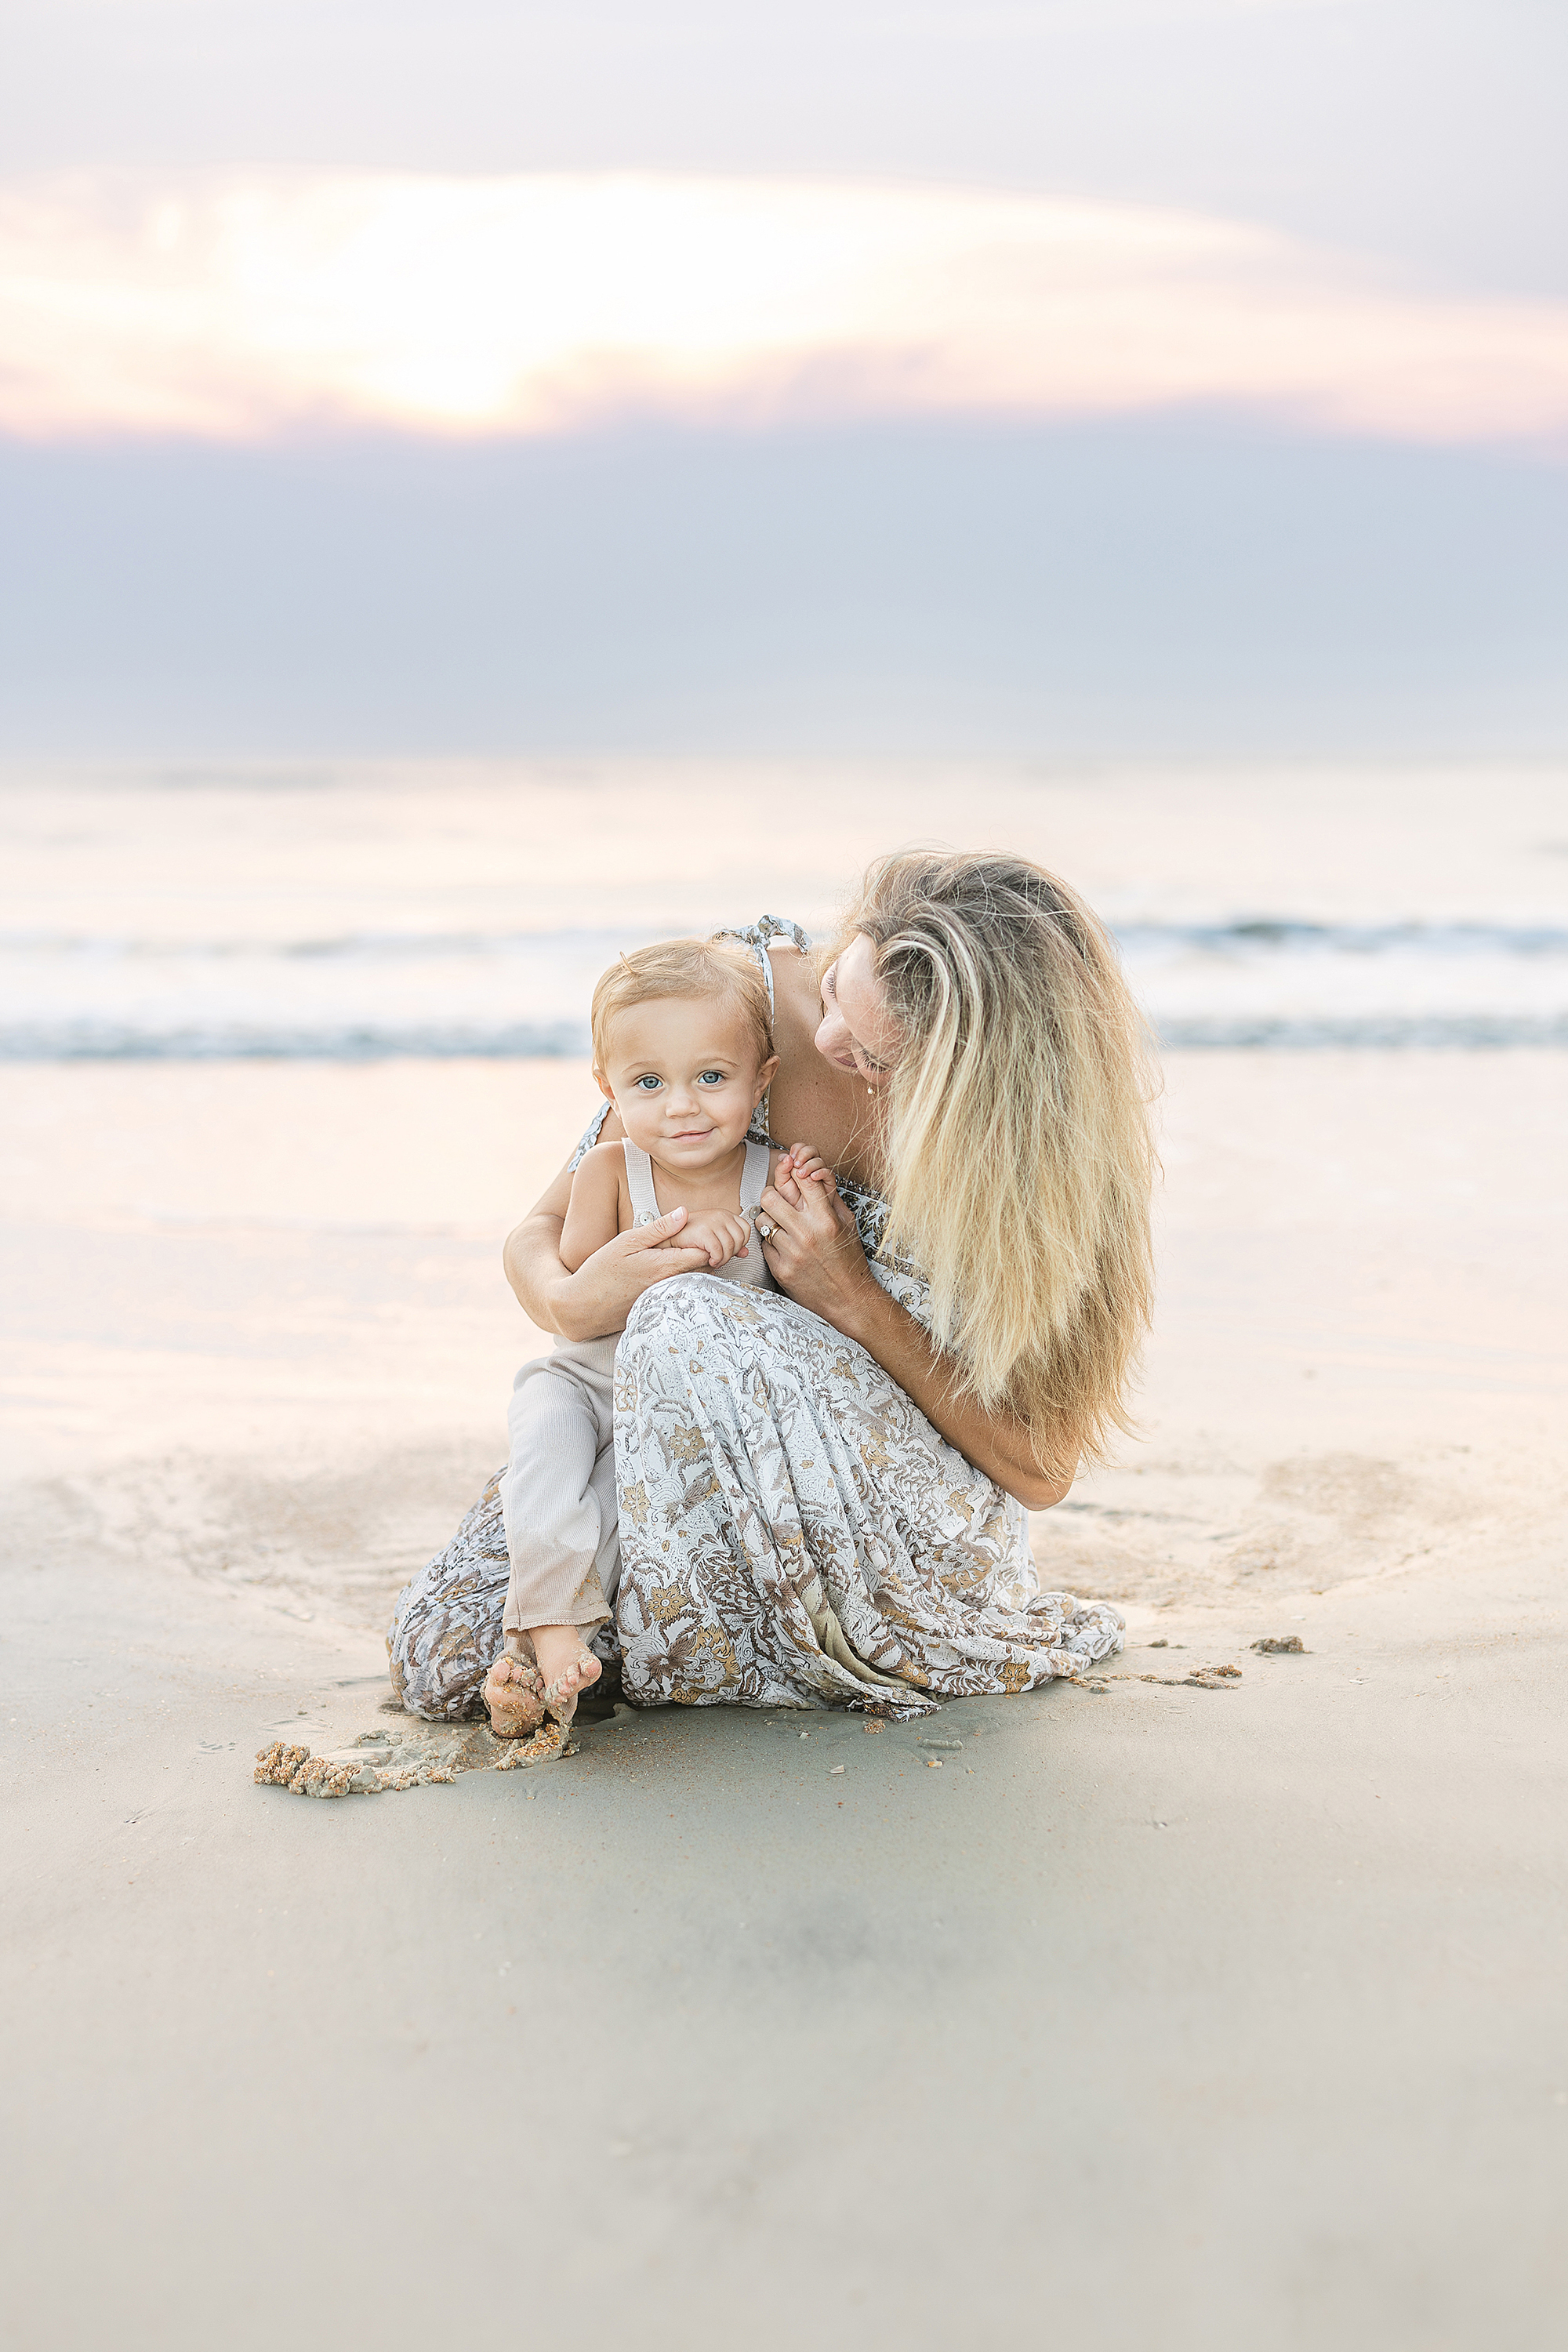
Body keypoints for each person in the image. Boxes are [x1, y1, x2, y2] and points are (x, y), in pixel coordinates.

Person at [387, 855, 1154, 1722]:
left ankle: (716, 1640)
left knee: (682, 1317)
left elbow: (1041, 1469)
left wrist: (852, 1297)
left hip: (883, 1501)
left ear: (975, 1081)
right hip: (661, 1434)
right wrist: (568, 1305)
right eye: (832, 991)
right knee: (445, 1656)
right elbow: (542, 1231)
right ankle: (642, 1629)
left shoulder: (1041, 1165)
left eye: (871, 1056)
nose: (825, 1046)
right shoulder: (733, 1009)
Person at [485, 935, 787, 1739]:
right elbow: (585, 1274)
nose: (680, 1106)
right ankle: (546, 1627)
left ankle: (552, 1655)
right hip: (582, 1383)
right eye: (647, 1083)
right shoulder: (610, 1170)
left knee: (618, 1513)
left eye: (711, 1078)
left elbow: (786, 1315)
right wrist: (685, 1242)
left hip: (664, 1423)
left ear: (762, 1080)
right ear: (606, 1090)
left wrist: (782, 1214)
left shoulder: (774, 1174)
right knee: (544, 1481)